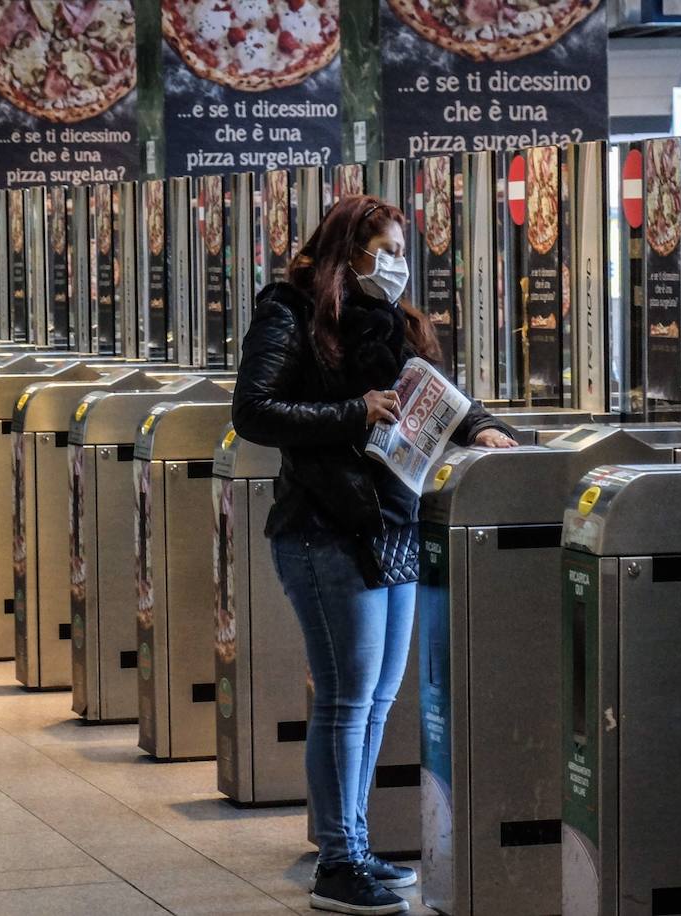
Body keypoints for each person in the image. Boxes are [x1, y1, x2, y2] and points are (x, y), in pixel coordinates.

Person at [233, 195, 517, 915]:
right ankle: (337, 862)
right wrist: (351, 412)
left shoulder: (398, 322)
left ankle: (356, 848)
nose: (394, 265)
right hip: (324, 529)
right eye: (380, 252)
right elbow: (254, 411)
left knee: (377, 699)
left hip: (391, 524)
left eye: (399, 251)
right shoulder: (290, 312)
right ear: (344, 252)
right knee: (345, 700)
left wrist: (479, 428)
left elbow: (436, 398)